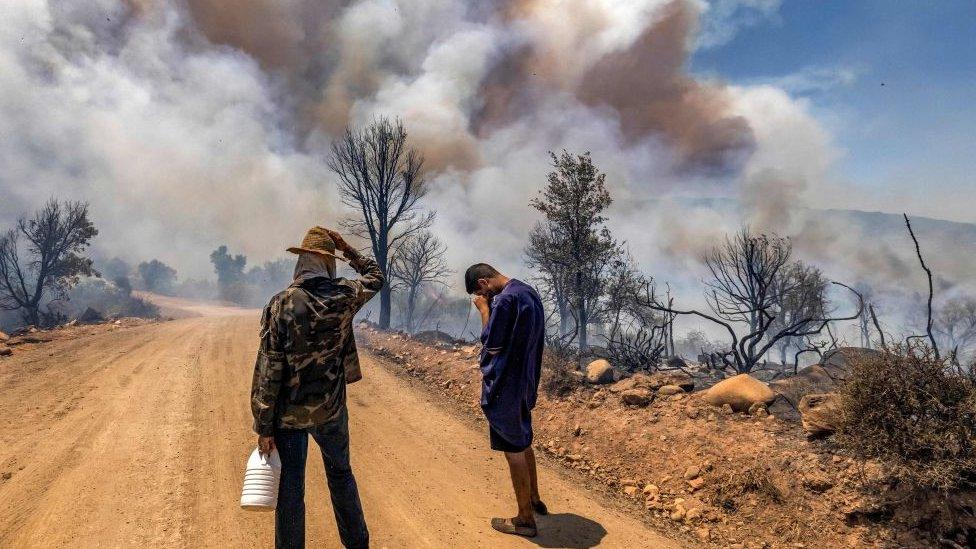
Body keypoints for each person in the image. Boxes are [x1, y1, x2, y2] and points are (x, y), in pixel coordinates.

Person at [250, 226, 384, 549]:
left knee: (291, 491)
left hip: (289, 417)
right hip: (331, 411)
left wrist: (264, 425)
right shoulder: (345, 295)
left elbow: (269, 371)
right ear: (328, 262)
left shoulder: (281, 304)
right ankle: (357, 544)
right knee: (341, 475)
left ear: (302, 261)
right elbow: (376, 277)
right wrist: (348, 249)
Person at [465, 262, 547, 538]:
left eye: (480, 292)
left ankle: (525, 520)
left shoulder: (504, 301)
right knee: (523, 441)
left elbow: (492, 343)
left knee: (513, 450)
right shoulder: (527, 292)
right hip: (525, 383)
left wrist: (485, 310)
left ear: (483, 284)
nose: (484, 296)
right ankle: (534, 500)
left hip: (506, 387)